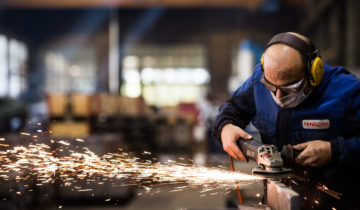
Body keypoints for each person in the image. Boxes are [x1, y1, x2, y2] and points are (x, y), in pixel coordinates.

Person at [213, 32, 360, 209]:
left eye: (288, 88)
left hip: (333, 201)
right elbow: (233, 107)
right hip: (278, 197)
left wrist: (334, 150)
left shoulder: (347, 91)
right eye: (271, 87)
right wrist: (226, 126)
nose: (278, 96)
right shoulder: (259, 79)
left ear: (315, 72)